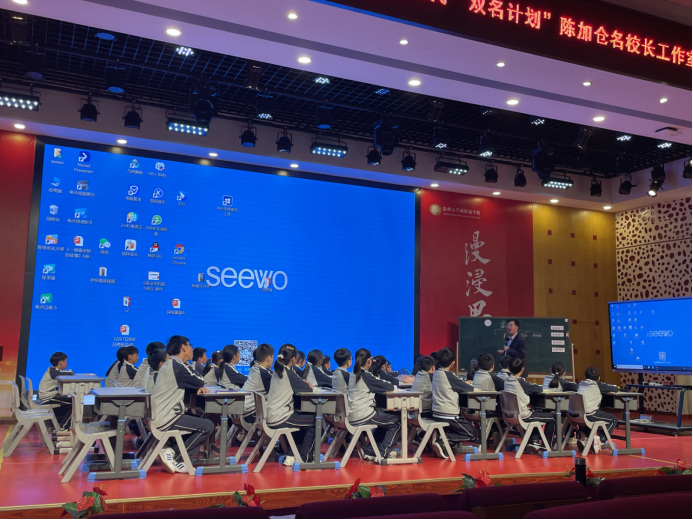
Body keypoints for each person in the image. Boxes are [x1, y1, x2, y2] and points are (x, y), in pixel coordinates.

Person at [153, 335, 214, 474]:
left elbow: (192, 382)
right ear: (183, 347)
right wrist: (198, 385)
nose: (192, 349)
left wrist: (197, 386)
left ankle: (175, 456)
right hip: (166, 417)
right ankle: (173, 454)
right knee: (208, 426)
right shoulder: (178, 365)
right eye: (190, 345)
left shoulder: (171, 364)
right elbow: (200, 380)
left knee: (195, 419)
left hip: (159, 414)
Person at [267, 344, 316, 465]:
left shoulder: (279, 370)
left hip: (272, 414)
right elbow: (307, 389)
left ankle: (292, 454)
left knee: (301, 418)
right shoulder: (288, 372)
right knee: (315, 421)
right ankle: (305, 458)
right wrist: (307, 383)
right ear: (294, 359)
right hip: (280, 417)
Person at [348, 348, 401, 461]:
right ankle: (383, 453)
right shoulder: (365, 375)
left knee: (385, 420)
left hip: (353, 414)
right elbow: (389, 386)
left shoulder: (353, 373)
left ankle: (371, 451)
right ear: (369, 361)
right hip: (364, 415)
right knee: (398, 421)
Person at [431, 348, 477, 459]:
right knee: (472, 433)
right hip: (449, 415)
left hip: (436, 412)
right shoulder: (449, 375)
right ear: (453, 363)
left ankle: (442, 441)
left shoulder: (436, 373)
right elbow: (470, 388)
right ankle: (443, 440)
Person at [504, 358, 556, 450]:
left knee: (536, 413)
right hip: (523, 416)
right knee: (551, 417)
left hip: (509, 415)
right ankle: (546, 447)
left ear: (509, 368)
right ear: (522, 369)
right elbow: (538, 389)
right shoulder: (520, 382)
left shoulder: (506, 381)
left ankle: (534, 442)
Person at [577, 367, 619, 454]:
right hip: (588, 416)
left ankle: (585, 437)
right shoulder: (598, 385)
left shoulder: (581, 384)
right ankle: (599, 439)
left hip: (576, 415)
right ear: (599, 378)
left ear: (585, 377)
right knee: (613, 419)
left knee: (597, 412)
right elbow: (615, 389)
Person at [38, 352, 74, 430]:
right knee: (75, 403)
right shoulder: (52, 370)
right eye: (66, 361)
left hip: (50, 395)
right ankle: (63, 427)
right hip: (48, 397)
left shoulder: (55, 371)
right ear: (61, 362)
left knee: (71, 401)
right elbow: (67, 374)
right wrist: (70, 372)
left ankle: (62, 425)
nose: (66, 363)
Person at [241, 344, 274, 423]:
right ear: (269, 358)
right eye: (273, 357)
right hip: (249, 413)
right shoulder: (264, 374)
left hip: (242, 409)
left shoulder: (254, 368)